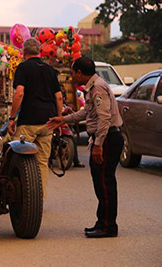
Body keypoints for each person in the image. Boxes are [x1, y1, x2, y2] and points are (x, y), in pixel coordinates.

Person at [47, 57, 123, 238]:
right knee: (101, 182)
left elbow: (104, 118)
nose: (72, 76)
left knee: (105, 184)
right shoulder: (92, 87)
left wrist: (98, 145)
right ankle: (102, 222)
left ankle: (108, 226)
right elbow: (87, 113)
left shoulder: (97, 88)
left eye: (73, 72)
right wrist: (64, 119)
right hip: (104, 138)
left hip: (107, 139)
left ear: (80, 73)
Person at [8, 37, 63, 199]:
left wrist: (12, 118)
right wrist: (59, 119)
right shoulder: (49, 70)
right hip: (48, 121)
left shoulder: (23, 68)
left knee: (18, 157)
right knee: (42, 162)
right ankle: (39, 200)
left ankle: (22, 200)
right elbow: (59, 97)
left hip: (28, 121)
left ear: (23, 52)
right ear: (39, 51)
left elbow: (19, 93)